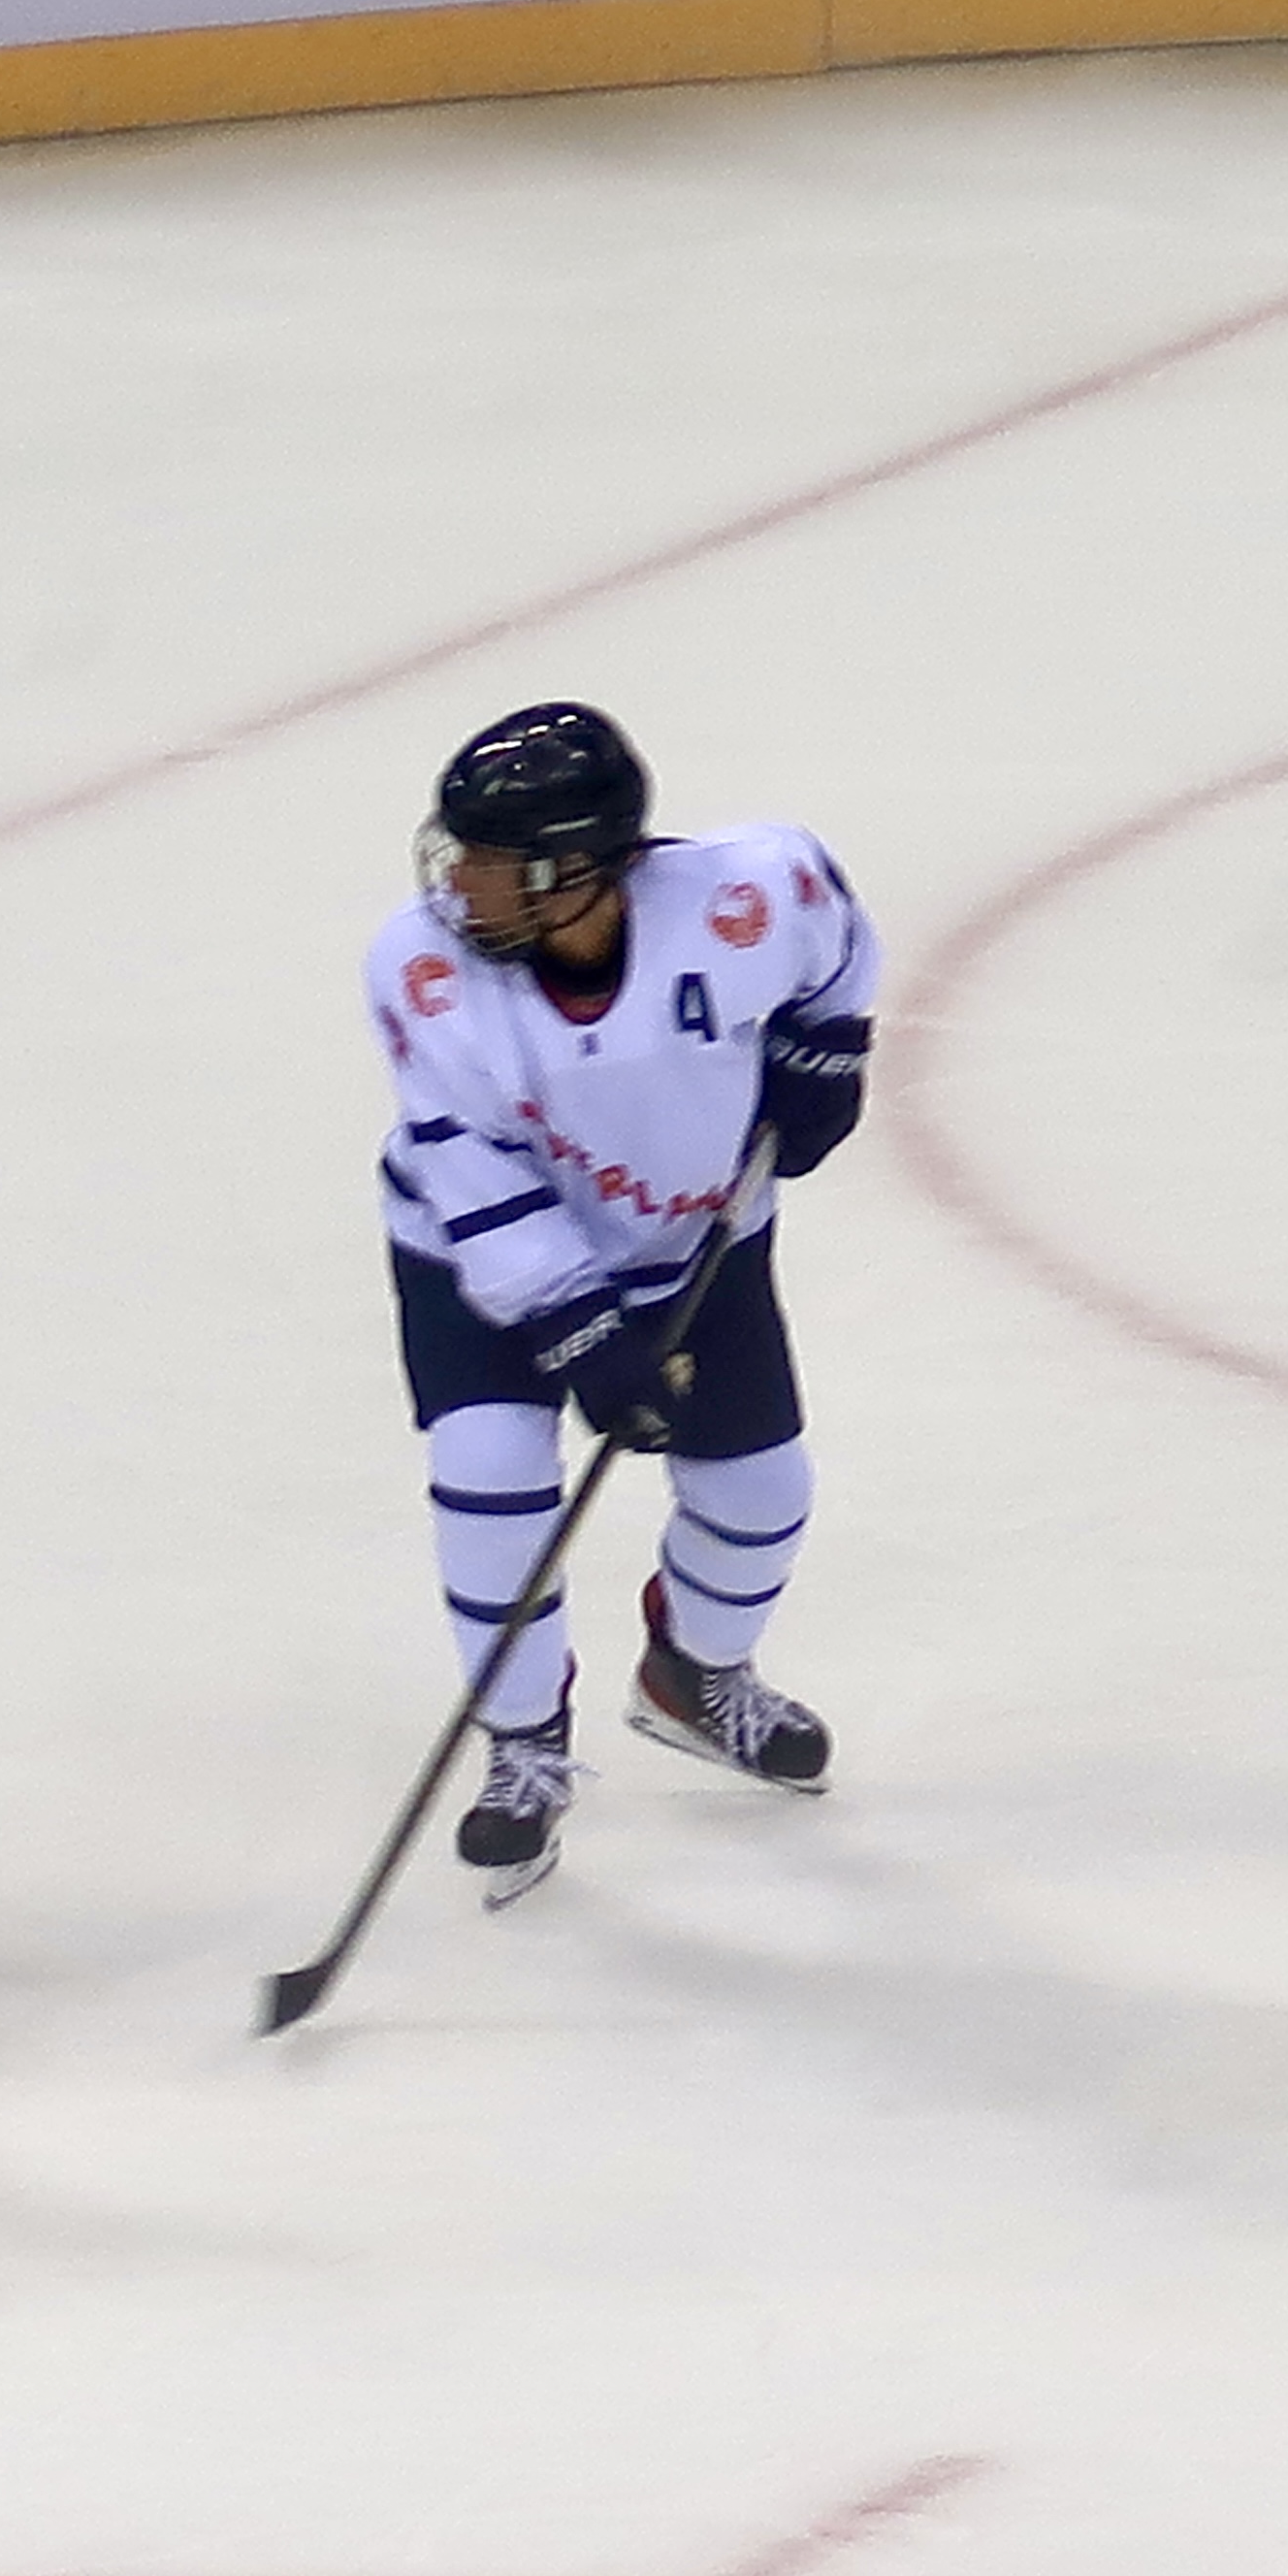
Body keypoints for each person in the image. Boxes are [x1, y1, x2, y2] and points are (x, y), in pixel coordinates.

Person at [365, 700, 879, 1905]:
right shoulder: (423, 969)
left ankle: (695, 1676)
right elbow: (468, 1165)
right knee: (490, 1476)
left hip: (696, 1236)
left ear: (577, 870)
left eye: (492, 862)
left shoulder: (746, 900)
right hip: (470, 1260)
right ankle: (524, 1743)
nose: (459, 883)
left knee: (760, 1494)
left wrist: (827, 1045)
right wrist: (581, 1331)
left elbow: (833, 930)